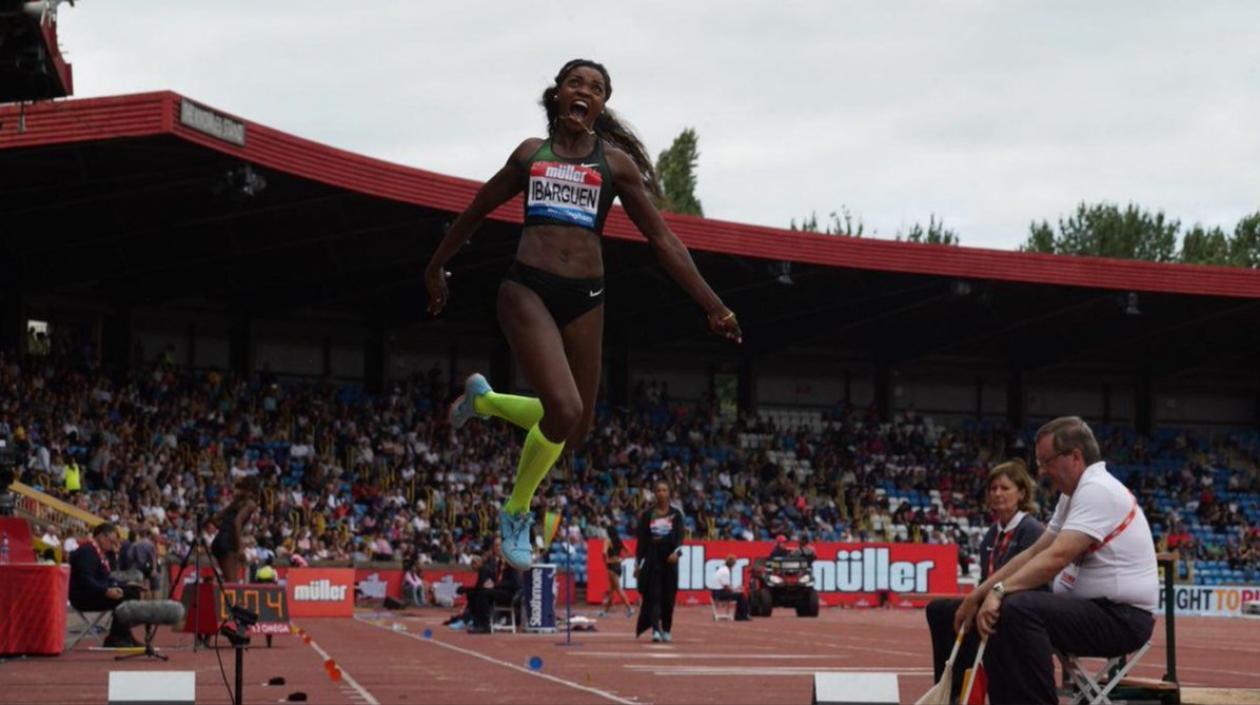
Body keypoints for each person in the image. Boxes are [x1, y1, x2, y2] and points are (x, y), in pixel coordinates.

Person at [425, 58, 742, 571]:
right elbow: (476, 210)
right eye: (576, 82)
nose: (584, 92)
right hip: (526, 288)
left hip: (586, 297)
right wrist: (436, 267)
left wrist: (714, 305)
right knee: (564, 410)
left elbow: (663, 239)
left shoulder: (614, 165)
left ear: (600, 105)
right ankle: (516, 508)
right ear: (558, 95)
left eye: (596, 88)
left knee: (574, 428)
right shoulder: (532, 154)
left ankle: (485, 403)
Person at [954, 417, 1158, 705]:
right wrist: (980, 593)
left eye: (1046, 461)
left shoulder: (1097, 490)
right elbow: (1036, 551)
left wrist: (999, 591)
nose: (1041, 471)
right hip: (1093, 610)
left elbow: (1057, 556)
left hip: (1122, 619)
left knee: (1020, 609)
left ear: (1075, 456)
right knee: (971, 611)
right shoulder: (1071, 495)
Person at [925, 459, 1045, 701]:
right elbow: (985, 578)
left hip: (1020, 603)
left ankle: (966, 692)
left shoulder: (1031, 530)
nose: (998, 493)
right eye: (993, 489)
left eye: (1005, 488)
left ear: (1021, 493)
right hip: (993, 601)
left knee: (968, 616)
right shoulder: (991, 534)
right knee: (938, 610)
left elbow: (1034, 578)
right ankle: (949, 688)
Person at [68, 522, 140, 648]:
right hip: (84, 596)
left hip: (95, 591)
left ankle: (123, 634)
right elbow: (86, 580)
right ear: (101, 536)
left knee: (132, 590)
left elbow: (106, 578)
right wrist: (105, 590)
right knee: (127, 595)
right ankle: (116, 637)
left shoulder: (100, 553)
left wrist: (124, 584)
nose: (113, 545)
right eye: (111, 541)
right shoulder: (87, 551)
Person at [635, 481, 684, 642]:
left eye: (664, 490)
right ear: (655, 494)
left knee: (668, 598)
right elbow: (642, 541)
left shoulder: (676, 515)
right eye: (658, 490)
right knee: (654, 596)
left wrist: (676, 553)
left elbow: (680, 538)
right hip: (653, 560)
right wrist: (637, 564)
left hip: (669, 561)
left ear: (668, 493)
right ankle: (656, 630)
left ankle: (667, 629)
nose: (661, 493)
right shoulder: (648, 515)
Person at [210, 478, 260, 582]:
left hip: (218, 540)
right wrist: (240, 547)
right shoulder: (250, 504)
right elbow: (237, 521)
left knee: (227, 581)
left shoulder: (236, 502)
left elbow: (215, 519)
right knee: (232, 583)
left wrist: (224, 530)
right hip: (228, 541)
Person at [597, 524, 635, 617]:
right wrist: (621, 559)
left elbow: (604, 552)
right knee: (611, 590)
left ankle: (629, 608)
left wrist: (606, 561)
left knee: (617, 588)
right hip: (618, 565)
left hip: (611, 566)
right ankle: (605, 611)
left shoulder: (608, 541)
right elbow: (629, 551)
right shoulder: (619, 541)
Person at [712, 554, 750, 621]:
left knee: (739, 595)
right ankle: (742, 616)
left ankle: (740, 615)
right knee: (741, 595)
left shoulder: (722, 569)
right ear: (732, 564)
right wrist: (735, 590)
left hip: (715, 592)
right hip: (719, 594)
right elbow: (726, 587)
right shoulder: (725, 571)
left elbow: (726, 585)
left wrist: (734, 589)